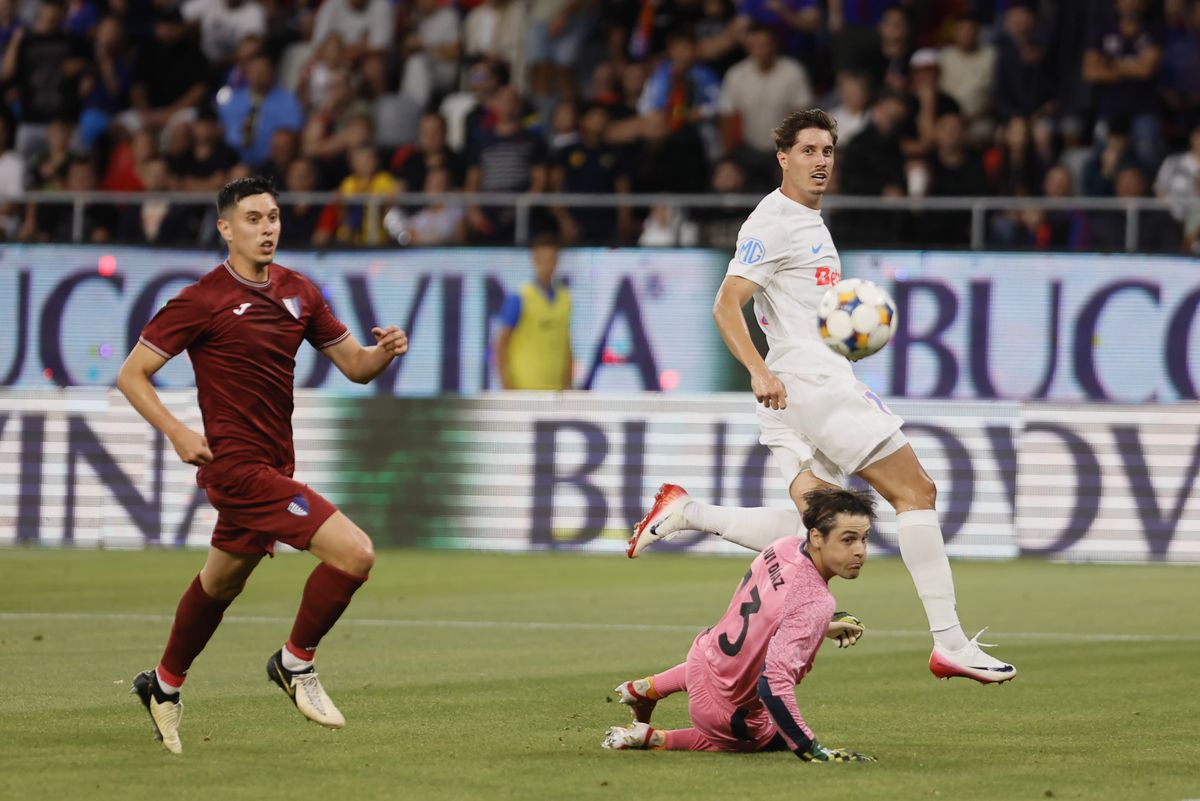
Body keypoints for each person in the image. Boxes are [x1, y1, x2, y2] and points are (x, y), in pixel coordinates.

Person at [627, 109, 1017, 685]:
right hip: (808, 384)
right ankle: (950, 643)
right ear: (782, 156)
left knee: (818, 523)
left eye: (828, 151)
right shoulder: (774, 222)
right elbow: (724, 304)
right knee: (917, 492)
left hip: (800, 386)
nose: (820, 162)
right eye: (808, 150)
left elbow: (792, 311)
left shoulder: (808, 222)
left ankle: (688, 512)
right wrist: (758, 370)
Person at [117, 176, 409, 754]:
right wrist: (176, 431)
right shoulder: (201, 299)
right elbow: (131, 374)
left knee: (221, 582)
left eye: (272, 217)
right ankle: (295, 663)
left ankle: (163, 684)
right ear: (226, 229)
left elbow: (354, 365)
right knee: (355, 553)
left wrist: (384, 351)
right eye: (252, 219)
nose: (267, 227)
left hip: (274, 464)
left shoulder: (300, 290)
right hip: (238, 470)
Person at [603, 488, 877, 760]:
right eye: (848, 540)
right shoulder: (817, 602)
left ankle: (648, 688)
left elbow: (770, 614)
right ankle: (653, 738)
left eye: (864, 539)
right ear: (816, 536)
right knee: (769, 737)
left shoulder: (783, 546)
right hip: (724, 711)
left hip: (700, 659)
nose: (860, 551)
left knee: (734, 662)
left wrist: (820, 626)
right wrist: (811, 750)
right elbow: (772, 685)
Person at [493, 232, 572, 390]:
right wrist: (506, 385)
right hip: (525, 387)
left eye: (551, 259)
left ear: (557, 261)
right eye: (543, 259)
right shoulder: (520, 297)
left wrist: (568, 381)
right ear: (534, 260)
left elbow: (566, 342)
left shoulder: (565, 298)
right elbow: (501, 343)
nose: (547, 265)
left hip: (556, 389)